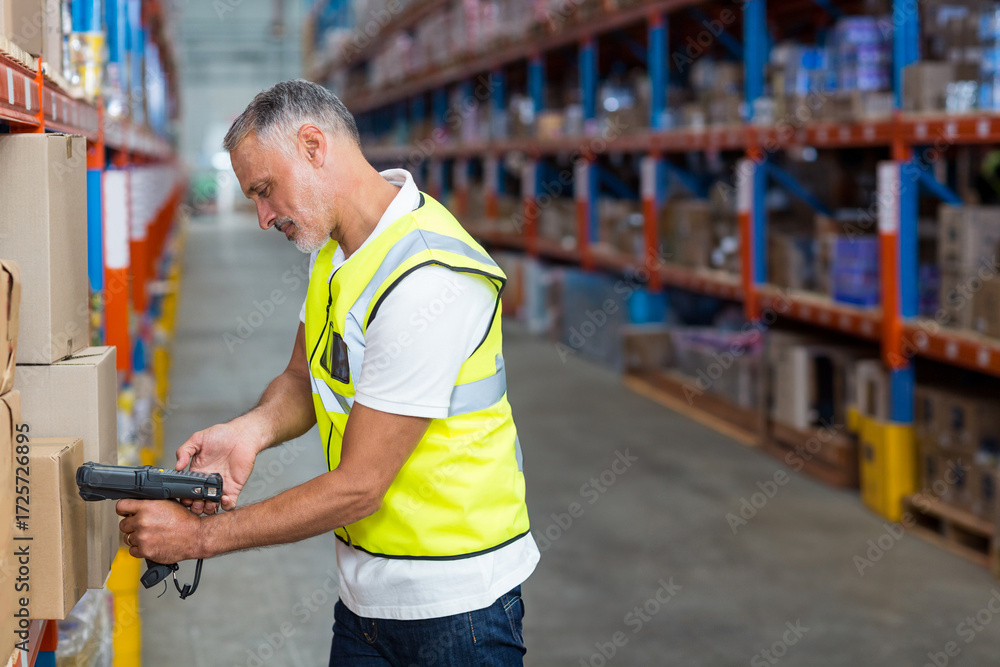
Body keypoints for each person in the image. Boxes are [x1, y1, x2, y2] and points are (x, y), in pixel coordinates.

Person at [115, 79, 539, 666]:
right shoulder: (336, 253)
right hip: (365, 599)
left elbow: (360, 485)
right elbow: (303, 379)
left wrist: (199, 537)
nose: (262, 217)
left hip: (456, 608)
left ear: (313, 147)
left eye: (265, 191)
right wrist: (250, 431)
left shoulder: (426, 277)